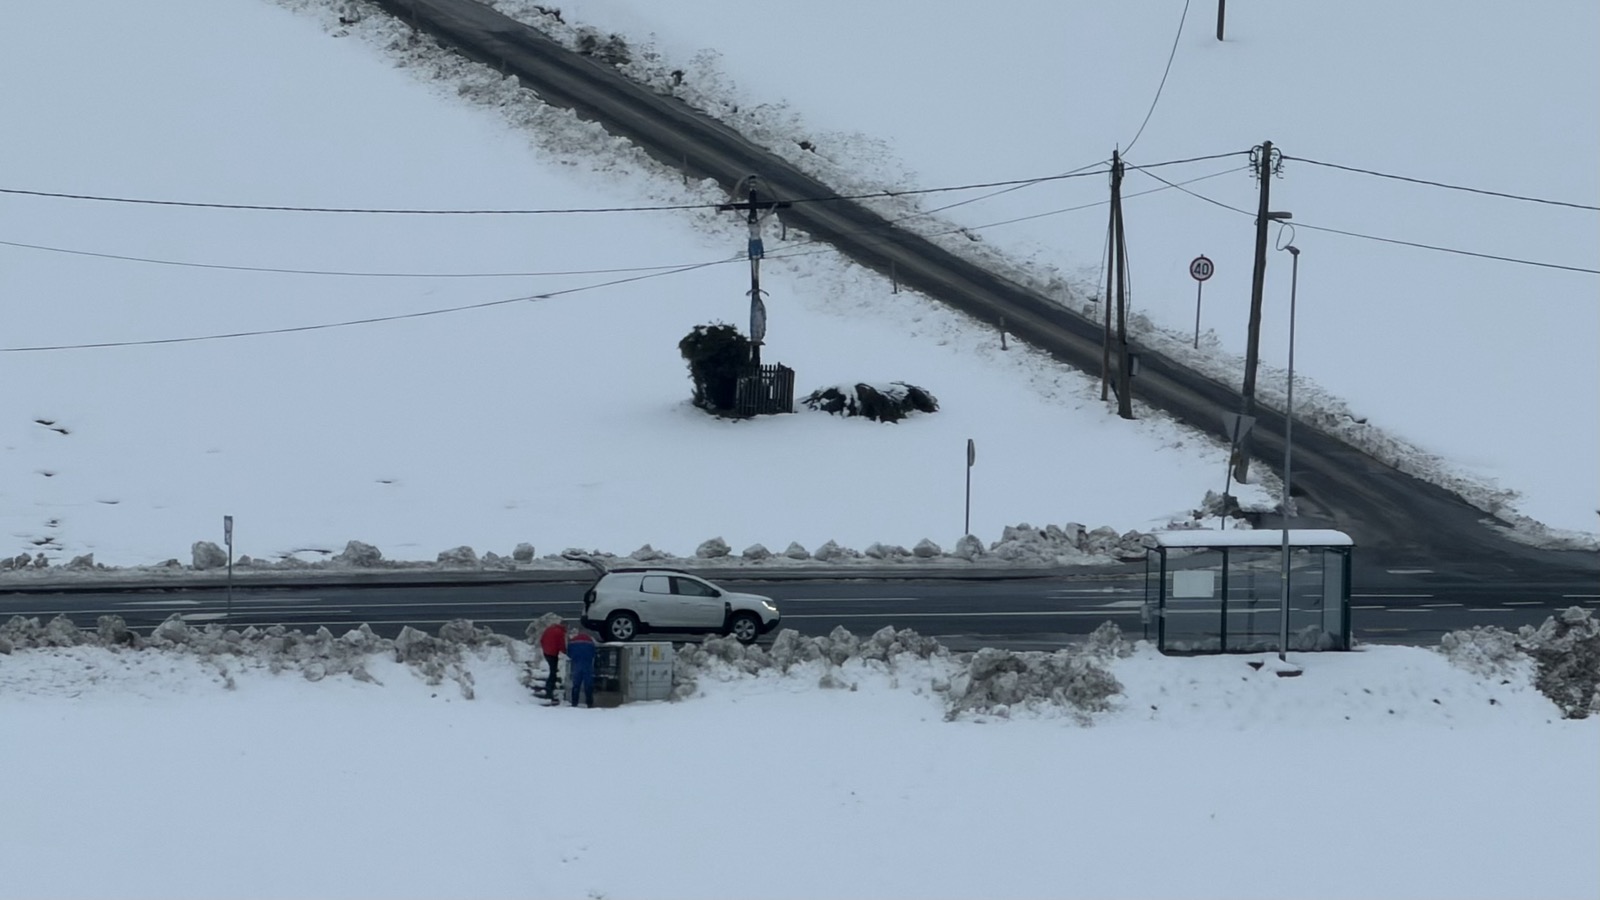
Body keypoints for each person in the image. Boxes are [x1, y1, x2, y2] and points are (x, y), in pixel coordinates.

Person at [566, 628, 598, 708]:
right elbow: (594, 653)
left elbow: (569, 653)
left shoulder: (573, 641)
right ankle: (589, 703)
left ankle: (574, 702)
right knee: (588, 684)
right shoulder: (590, 641)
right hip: (587, 665)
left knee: (576, 684)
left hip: (576, 664)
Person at [538, 618, 568, 702]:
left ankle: (550, 687)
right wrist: (566, 652)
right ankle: (549, 690)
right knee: (553, 672)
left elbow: (542, 640)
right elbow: (561, 645)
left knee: (553, 670)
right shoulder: (560, 632)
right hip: (553, 654)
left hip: (547, 652)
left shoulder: (549, 629)